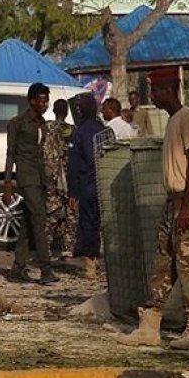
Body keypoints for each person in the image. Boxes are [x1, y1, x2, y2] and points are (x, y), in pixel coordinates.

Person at [119, 68, 189, 349]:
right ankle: (150, 325)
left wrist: (185, 207)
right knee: (163, 264)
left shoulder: (187, 117)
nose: (153, 96)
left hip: (185, 201)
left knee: (187, 263)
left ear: (168, 89)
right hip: (173, 202)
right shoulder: (171, 122)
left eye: (156, 91)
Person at [4, 82, 58, 285]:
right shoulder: (17, 123)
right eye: (42, 100)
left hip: (39, 178)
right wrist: (8, 183)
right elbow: (10, 154)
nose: (45, 104)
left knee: (28, 223)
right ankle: (46, 269)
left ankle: (17, 268)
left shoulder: (42, 124)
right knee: (39, 220)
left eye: (47, 100)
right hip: (26, 178)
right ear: (32, 101)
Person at [68, 95, 105, 279]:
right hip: (103, 184)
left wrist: (72, 193)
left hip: (87, 185)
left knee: (88, 224)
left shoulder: (80, 132)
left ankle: (90, 265)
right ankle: (98, 262)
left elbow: (74, 165)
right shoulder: (103, 130)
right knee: (99, 223)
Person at [43, 99, 76, 260]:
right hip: (69, 176)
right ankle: (68, 247)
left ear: (54, 110)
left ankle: (47, 248)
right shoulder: (71, 130)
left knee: (51, 210)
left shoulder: (46, 127)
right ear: (67, 111)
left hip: (50, 175)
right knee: (71, 211)